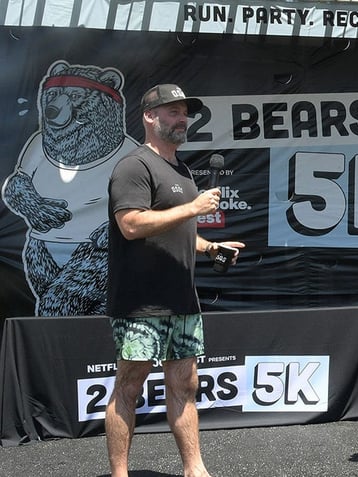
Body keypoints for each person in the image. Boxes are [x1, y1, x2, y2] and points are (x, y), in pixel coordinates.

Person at [105, 84, 245, 477]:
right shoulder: (134, 166)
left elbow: (175, 229)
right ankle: (120, 474)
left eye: (184, 112)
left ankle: (194, 469)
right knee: (128, 387)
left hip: (181, 300)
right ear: (150, 117)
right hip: (140, 303)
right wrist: (195, 207)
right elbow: (131, 224)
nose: (181, 118)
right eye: (172, 112)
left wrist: (209, 247)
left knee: (185, 386)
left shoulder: (181, 169)